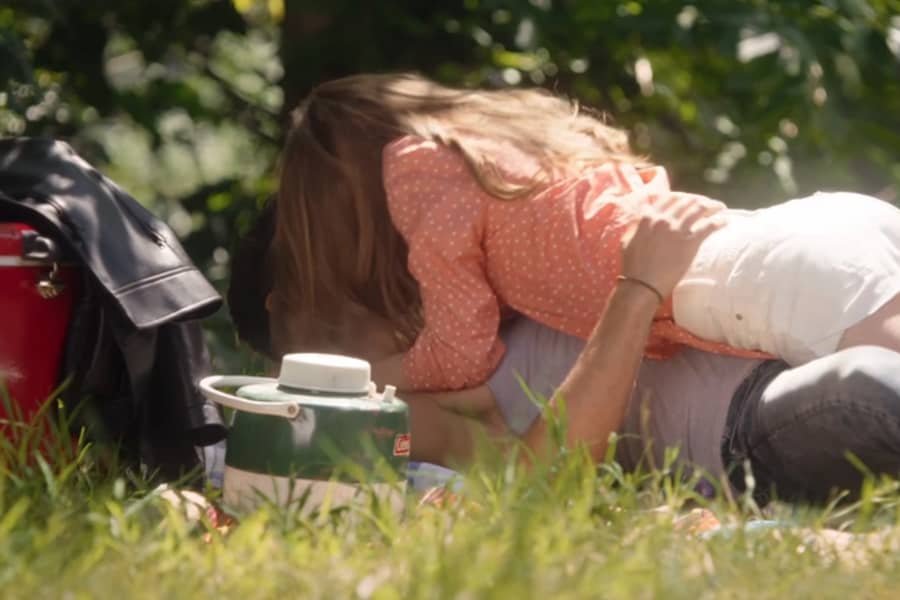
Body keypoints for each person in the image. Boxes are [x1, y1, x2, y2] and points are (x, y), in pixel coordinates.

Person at [230, 201, 900, 505]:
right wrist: (636, 291)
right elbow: (543, 478)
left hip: (800, 325)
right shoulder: (387, 407)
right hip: (746, 425)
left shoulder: (464, 296)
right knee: (871, 387)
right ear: (287, 299)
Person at [268, 72, 900, 394]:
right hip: (806, 233)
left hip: (763, 279)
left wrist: (357, 376)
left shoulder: (411, 169)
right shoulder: (500, 151)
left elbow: (462, 354)